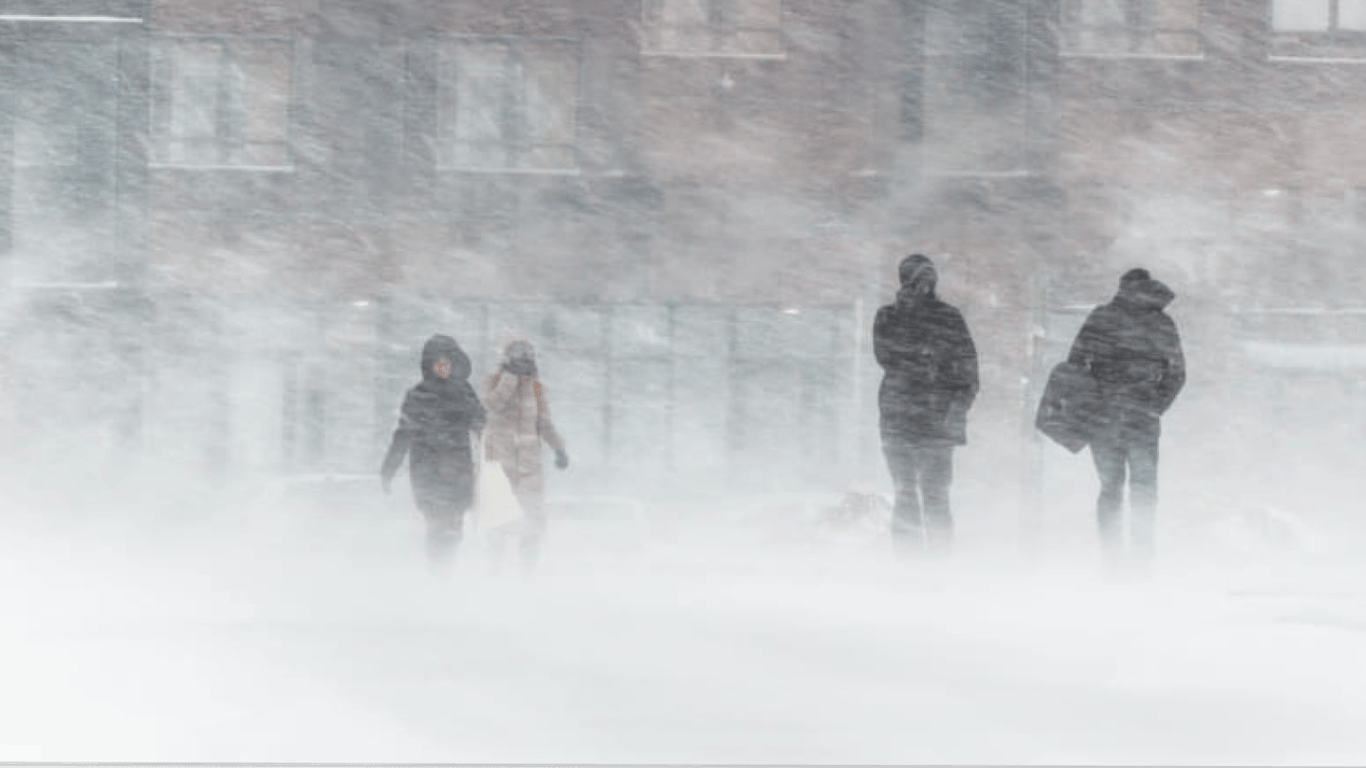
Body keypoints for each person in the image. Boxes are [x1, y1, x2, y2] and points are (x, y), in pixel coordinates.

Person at [1067, 268, 1185, 572]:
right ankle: (1142, 558)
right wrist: (1155, 404)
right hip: (1142, 418)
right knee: (1144, 488)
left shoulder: (1101, 318)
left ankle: (1112, 559)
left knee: (1110, 487)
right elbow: (1177, 374)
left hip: (1103, 417)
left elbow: (1074, 366)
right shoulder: (1161, 322)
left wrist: (1091, 400)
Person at [874, 254, 979, 558]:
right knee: (907, 493)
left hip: (933, 419)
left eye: (929, 279)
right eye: (920, 278)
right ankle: (911, 565)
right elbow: (886, 357)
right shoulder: (888, 316)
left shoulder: (948, 316)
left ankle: (937, 564)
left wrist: (958, 407)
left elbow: (968, 370)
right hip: (901, 417)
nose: (926, 285)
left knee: (934, 496)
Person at [380, 334, 487, 575]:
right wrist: (389, 467)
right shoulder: (418, 395)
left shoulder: (463, 392)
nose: (443, 367)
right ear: (429, 365)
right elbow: (403, 433)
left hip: (458, 470)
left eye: (448, 362)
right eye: (438, 362)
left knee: (454, 527)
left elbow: (480, 423)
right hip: (427, 470)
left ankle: (443, 571)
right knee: (438, 524)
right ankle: (439, 574)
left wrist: (468, 406)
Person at [481, 337, 568, 573]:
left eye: (527, 359)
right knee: (498, 520)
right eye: (519, 359)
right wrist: (509, 380)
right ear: (508, 360)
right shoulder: (492, 381)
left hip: (530, 467)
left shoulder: (536, 387)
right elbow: (490, 407)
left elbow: (544, 421)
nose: (524, 364)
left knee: (533, 521)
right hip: (499, 463)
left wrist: (558, 447)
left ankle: (528, 570)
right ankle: (494, 569)